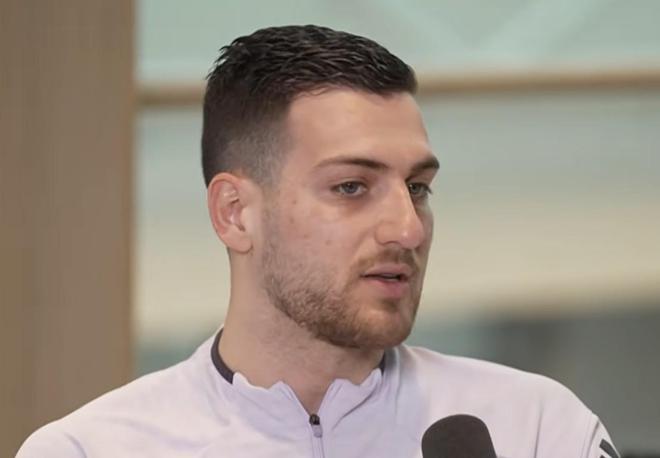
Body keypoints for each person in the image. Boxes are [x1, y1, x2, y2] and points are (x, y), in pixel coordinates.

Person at [18, 25, 618, 458]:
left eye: (417, 188)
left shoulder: (537, 430)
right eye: (351, 187)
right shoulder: (90, 449)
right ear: (235, 214)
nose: (407, 228)